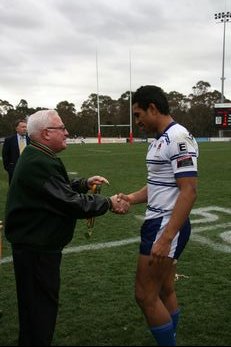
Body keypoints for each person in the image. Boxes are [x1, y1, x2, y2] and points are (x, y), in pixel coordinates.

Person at [4, 109, 129, 346]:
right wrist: (108, 202)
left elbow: (54, 188)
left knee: (35, 311)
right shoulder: (38, 161)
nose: (67, 132)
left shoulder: (37, 155)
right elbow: (67, 201)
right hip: (37, 249)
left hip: (35, 246)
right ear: (45, 133)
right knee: (39, 314)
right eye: (61, 128)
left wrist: (83, 183)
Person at [118, 85, 199, 346]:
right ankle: (171, 337)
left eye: (139, 114)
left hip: (165, 225)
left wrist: (166, 237)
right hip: (159, 222)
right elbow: (158, 185)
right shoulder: (160, 140)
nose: (137, 121)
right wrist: (131, 197)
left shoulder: (178, 138)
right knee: (164, 289)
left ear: (153, 108)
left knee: (144, 295)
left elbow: (188, 191)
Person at [2, 119, 30, 184]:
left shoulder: (30, 139)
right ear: (16, 129)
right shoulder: (9, 140)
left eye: (25, 127)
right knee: (14, 189)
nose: (25, 129)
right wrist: (9, 169)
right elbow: (5, 155)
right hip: (14, 170)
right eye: (22, 127)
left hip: (28, 170)